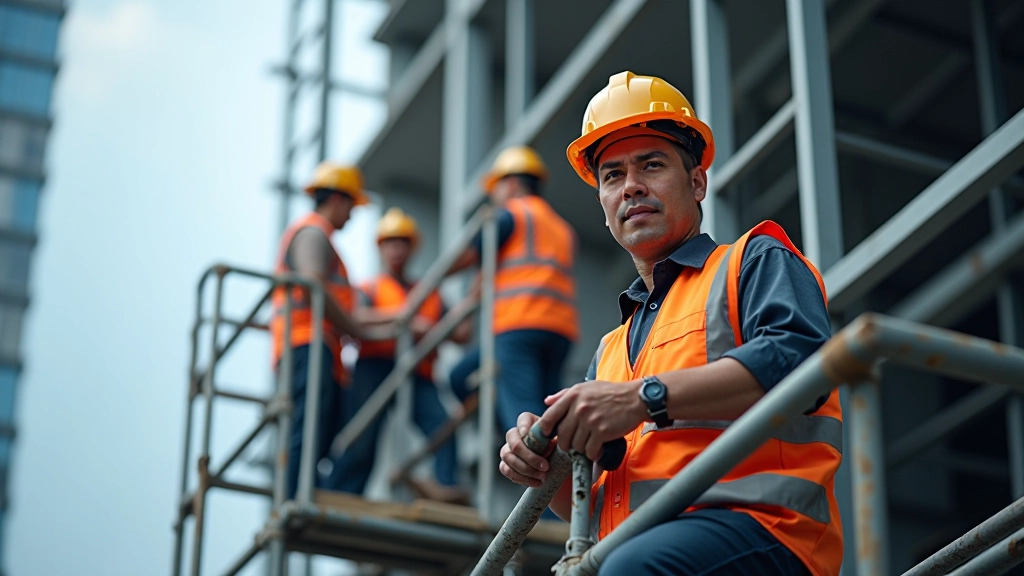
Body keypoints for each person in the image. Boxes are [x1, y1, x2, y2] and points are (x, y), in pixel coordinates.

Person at [498, 71, 843, 576]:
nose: (631, 186)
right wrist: (546, 471)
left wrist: (642, 398)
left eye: (652, 165)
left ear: (697, 181)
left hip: (765, 533)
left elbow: (802, 364)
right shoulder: (610, 350)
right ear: (603, 204)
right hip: (638, 555)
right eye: (612, 175)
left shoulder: (752, 261)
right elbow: (592, 508)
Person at [333, 207, 470, 503]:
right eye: (389, 243)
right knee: (361, 437)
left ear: (412, 248)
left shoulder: (428, 291)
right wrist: (404, 319)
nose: (396, 249)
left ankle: (444, 487)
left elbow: (460, 335)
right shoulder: (370, 287)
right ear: (380, 248)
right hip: (376, 366)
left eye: (402, 242)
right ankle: (341, 493)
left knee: (442, 427)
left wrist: (472, 301)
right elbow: (355, 316)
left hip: (417, 371)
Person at [448, 146, 580, 435]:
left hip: (518, 324)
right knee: (547, 409)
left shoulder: (511, 214)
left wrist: (439, 273)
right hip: (559, 330)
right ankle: (546, 465)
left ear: (511, 184)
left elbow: (470, 253)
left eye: (495, 188)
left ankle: (532, 468)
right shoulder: (561, 227)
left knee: (524, 417)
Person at [271, 161, 371, 499]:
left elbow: (340, 306)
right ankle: (294, 494)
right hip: (305, 342)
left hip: (321, 347)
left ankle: (308, 490)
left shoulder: (321, 236)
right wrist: (357, 328)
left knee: (325, 426)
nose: (352, 216)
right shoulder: (312, 232)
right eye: (352, 206)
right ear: (338, 200)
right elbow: (315, 287)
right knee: (307, 423)